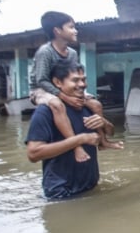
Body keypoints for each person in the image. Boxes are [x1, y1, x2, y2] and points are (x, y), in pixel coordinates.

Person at [29, 11, 122, 163]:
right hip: (41, 90)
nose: (75, 30)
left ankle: (103, 142)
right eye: (71, 27)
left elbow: (74, 77)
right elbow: (41, 80)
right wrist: (65, 97)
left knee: (95, 104)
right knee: (57, 104)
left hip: (63, 89)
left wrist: (77, 95)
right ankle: (76, 146)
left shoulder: (72, 53)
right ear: (57, 31)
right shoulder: (45, 52)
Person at [26, 59, 114, 199]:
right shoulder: (45, 112)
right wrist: (80, 139)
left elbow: (111, 132)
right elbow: (33, 154)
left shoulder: (88, 107)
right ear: (58, 82)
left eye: (83, 79)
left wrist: (104, 123)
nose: (82, 84)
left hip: (91, 188)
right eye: (75, 80)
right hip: (61, 194)